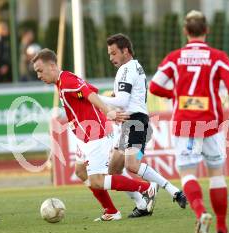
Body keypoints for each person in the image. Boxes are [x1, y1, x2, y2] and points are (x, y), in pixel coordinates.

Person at [149, 10, 229, 233]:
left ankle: (201, 211)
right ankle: (222, 230)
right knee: (217, 176)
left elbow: (154, 86)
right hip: (211, 123)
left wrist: (175, 94)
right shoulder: (217, 56)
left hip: (185, 124)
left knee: (188, 174)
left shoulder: (174, 57)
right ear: (207, 30)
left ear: (185, 31)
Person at [32, 48, 158, 221]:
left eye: (40, 71)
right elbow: (90, 89)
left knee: (98, 180)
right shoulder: (63, 81)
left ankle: (146, 188)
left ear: (52, 66)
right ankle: (111, 211)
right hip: (84, 137)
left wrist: (108, 112)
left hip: (95, 134)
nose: (39, 75)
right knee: (81, 171)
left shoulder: (67, 81)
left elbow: (89, 93)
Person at [95, 33, 187, 218]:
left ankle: (172, 190)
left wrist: (93, 97)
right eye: (109, 54)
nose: (111, 58)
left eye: (114, 53)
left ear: (125, 50)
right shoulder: (134, 66)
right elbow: (124, 98)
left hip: (135, 123)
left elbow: (122, 99)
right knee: (113, 170)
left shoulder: (127, 69)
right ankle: (142, 203)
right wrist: (111, 99)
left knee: (132, 164)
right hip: (130, 126)